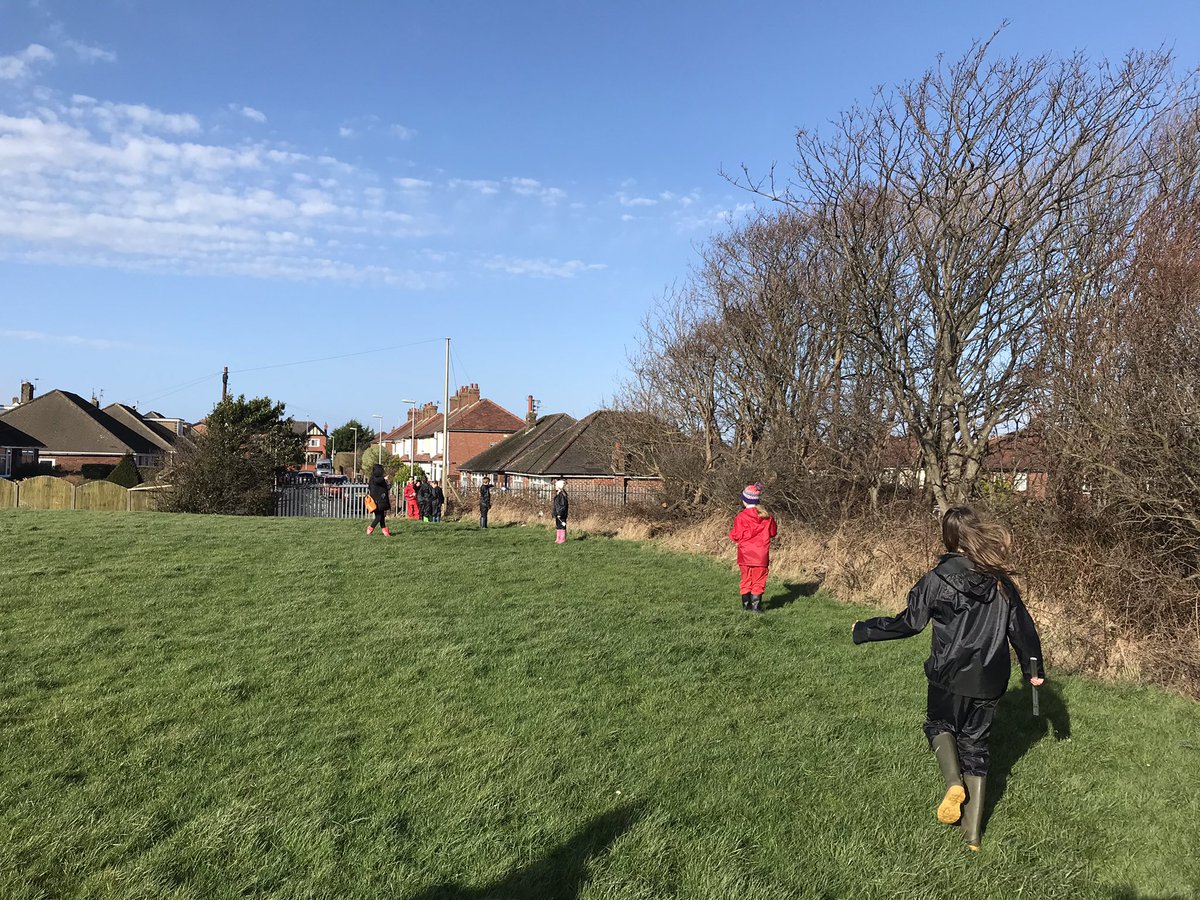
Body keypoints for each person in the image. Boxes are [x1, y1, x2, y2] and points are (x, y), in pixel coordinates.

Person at [851, 504, 1046, 852]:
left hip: (949, 674)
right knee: (977, 746)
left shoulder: (936, 580)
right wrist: (1033, 669)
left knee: (938, 725)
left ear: (947, 537)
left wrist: (865, 630)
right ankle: (972, 837)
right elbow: (1022, 629)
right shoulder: (1001, 582)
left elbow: (909, 623)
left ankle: (953, 782)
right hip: (991, 677)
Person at [727, 482, 777, 612]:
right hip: (761, 555)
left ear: (745, 500)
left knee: (745, 579)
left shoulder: (741, 517)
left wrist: (732, 536)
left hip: (744, 555)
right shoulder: (767, 517)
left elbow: (736, 535)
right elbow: (773, 533)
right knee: (759, 580)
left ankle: (746, 606)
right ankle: (756, 608)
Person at [366, 464, 391, 536]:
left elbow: (386, 487)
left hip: (381, 501)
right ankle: (370, 528)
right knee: (379, 517)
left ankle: (385, 532)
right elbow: (377, 481)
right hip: (376, 501)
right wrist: (384, 479)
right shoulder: (374, 478)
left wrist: (387, 483)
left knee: (382, 517)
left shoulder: (377, 479)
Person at [552, 479, 569, 544]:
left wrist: (560, 513)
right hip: (557, 513)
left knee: (562, 526)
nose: (555, 486)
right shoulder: (558, 494)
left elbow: (562, 506)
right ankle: (558, 538)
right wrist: (555, 513)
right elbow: (556, 505)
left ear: (559, 486)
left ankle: (562, 539)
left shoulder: (562, 495)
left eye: (556, 485)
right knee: (558, 525)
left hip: (561, 514)